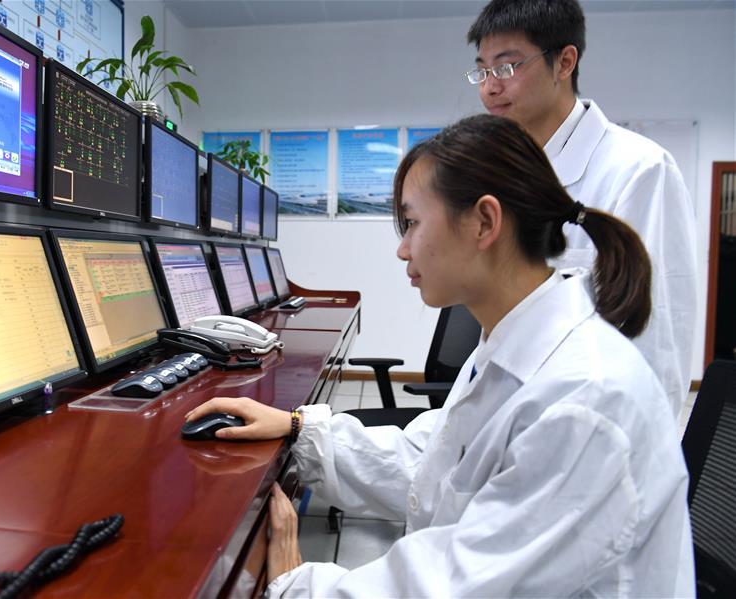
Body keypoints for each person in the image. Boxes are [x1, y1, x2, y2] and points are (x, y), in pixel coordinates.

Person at [186, 116, 693, 597]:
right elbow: (432, 466)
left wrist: (297, 585)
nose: (403, 250)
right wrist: (301, 430)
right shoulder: (514, 344)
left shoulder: (582, 399)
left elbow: (461, 586)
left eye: (410, 223)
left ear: (484, 222)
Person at [466, 0, 697, 419]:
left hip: (593, 433)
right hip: (513, 416)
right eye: (482, 71)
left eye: (506, 67)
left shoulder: (639, 170)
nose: (489, 87)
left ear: (564, 62)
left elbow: (656, 340)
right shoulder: (505, 172)